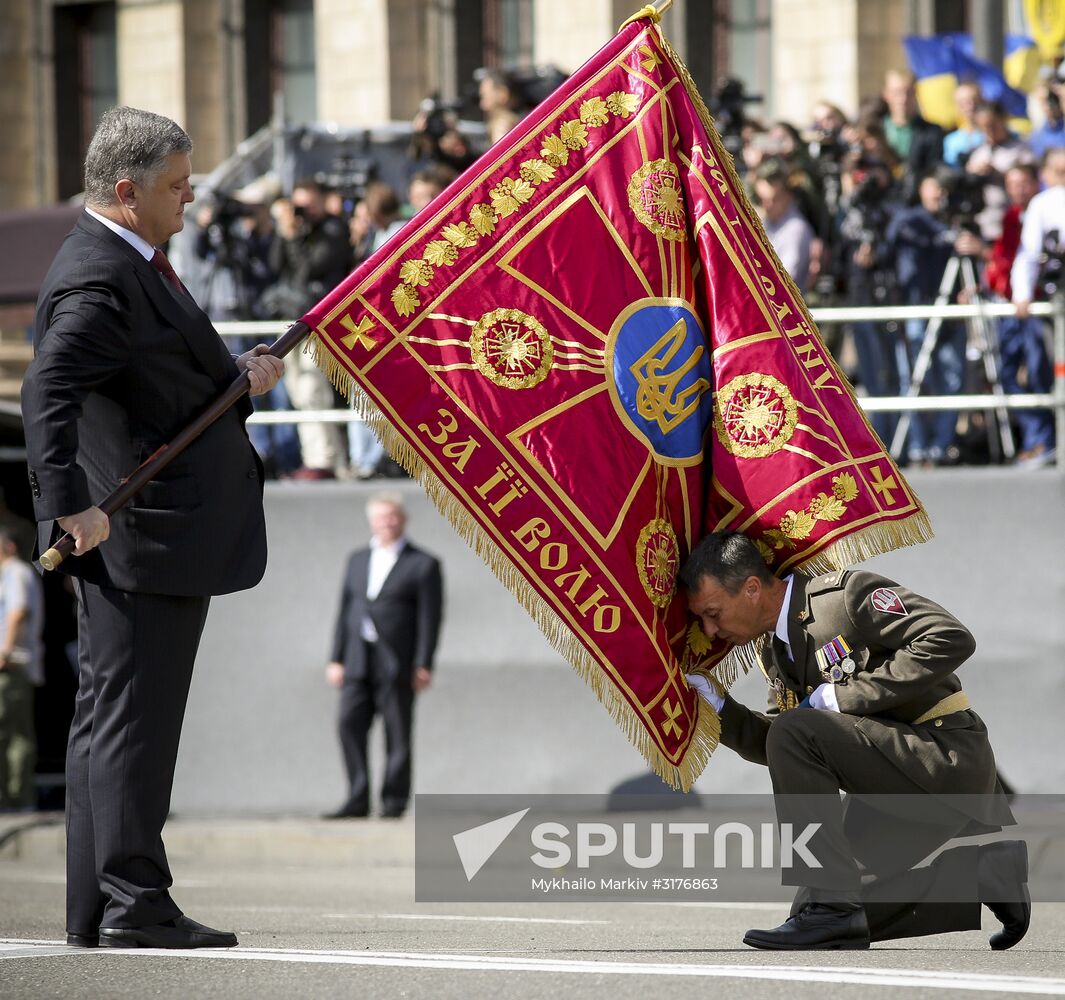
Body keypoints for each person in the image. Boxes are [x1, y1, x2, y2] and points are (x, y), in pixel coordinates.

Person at [21, 106, 283, 949]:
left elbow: (155, 388)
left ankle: (99, 907)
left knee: (111, 721)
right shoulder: (103, 276)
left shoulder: (127, 260)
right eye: (177, 184)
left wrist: (235, 379)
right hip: (139, 538)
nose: (192, 195)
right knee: (133, 725)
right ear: (127, 192)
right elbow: (46, 395)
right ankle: (134, 902)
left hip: (148, 536)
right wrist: (67, 505)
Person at [682, 531, 1028, 951]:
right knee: (816, 906)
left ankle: (833, 909)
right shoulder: (775, 652)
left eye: (713, 613)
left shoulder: (842, 597)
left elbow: (949, 636)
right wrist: (721, 708)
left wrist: (844, 694)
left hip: (943, 762)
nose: (710, 629)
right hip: (889, 786)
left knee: (827, 900)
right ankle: (983, 878)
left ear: (752, 588)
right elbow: (783, 744)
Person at [324, 493, 443, 819]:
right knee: (348, 724)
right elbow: (346, 610)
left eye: (392, 516)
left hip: (398, 661)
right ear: (371, 521)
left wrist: (424, 663)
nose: (387, 522)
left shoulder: (423, 563)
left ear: (403, 519)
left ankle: (393, 801)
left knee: (398, 733)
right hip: (358, 657)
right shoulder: (358, 559)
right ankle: (357, 797)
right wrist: (336, 658)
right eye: (381, 517)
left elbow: (430, 619)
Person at [267, 178, 352, 479]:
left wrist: (294, 238)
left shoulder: (333, 229)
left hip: (316, 322)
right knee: (297, 391)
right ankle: (317, 456)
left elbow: (310, 269)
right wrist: (284, 231)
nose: (303, 211)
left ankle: (324, 460)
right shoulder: (296, 230)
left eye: (308, 204)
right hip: (290, 320)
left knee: (313, 388)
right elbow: (275, 266)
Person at [0, 526, 44, 813]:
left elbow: (18, 612)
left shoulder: (16, 571)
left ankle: (17, 799)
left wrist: (4, 653)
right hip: (10, 664)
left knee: (12, 734)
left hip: (11, 664)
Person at [753, 165, 815, 293]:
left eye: (774, 199)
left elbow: (787, 279)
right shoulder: (764, 222)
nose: (767, 206)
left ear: (789, 197)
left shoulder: (796, 229)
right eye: (762, 200)